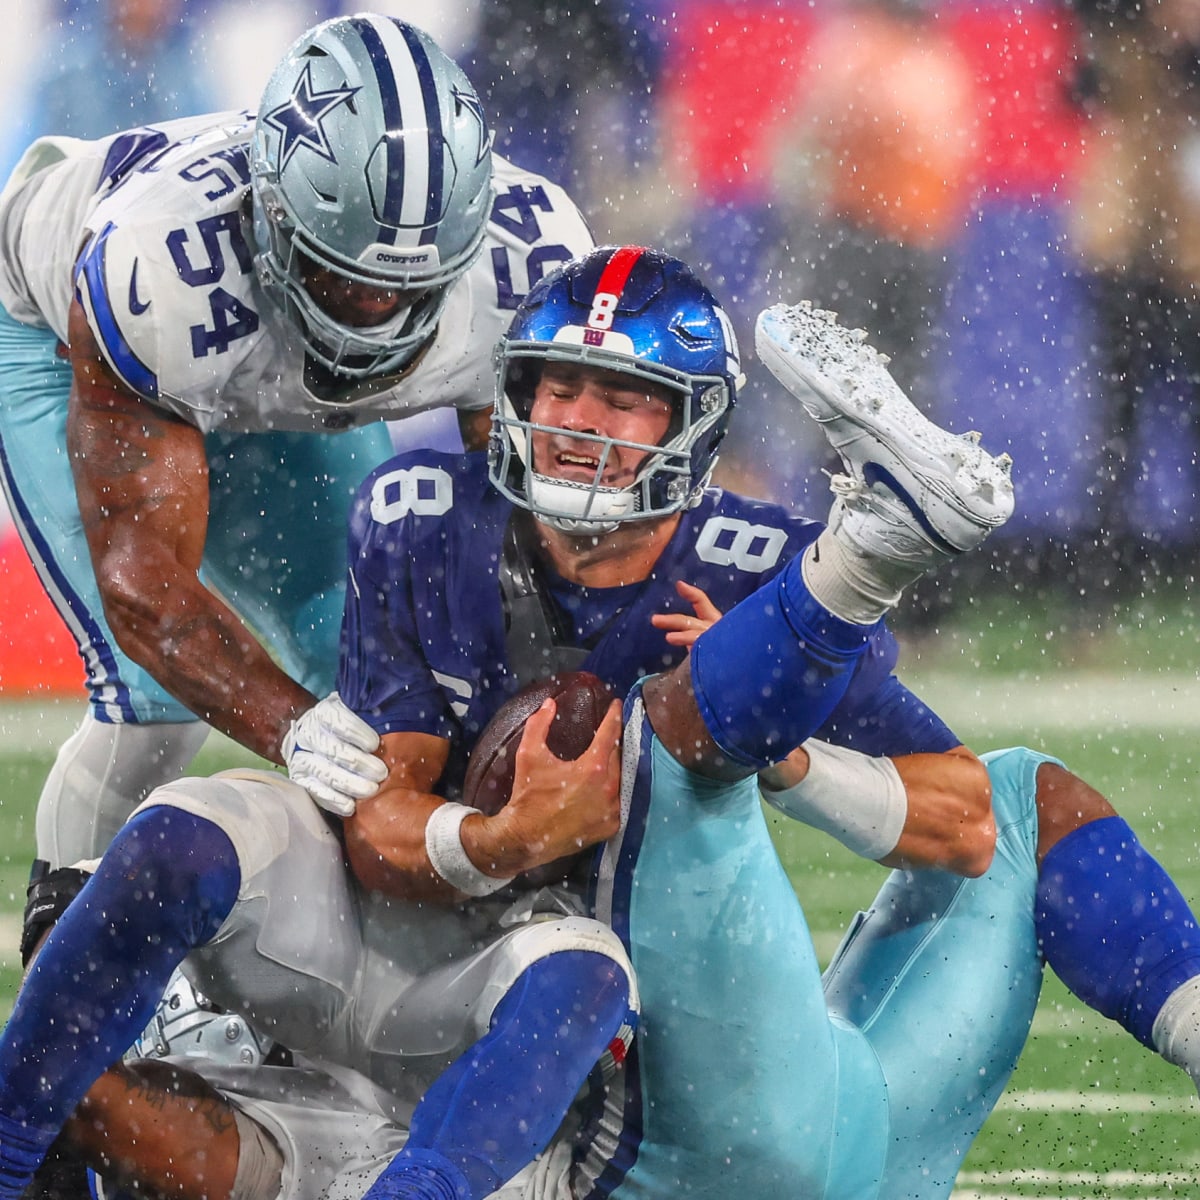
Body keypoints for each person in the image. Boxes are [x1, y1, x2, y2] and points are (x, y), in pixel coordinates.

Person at [4, 249, 1199, 1199]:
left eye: (623, 399)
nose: (579, 419)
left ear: (691, 426)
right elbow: (380, 824)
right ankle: (866, 559)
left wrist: (789, 763)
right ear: (509, 394)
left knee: (1009, 789)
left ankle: (866, 560)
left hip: (723, 1092)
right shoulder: (432, 521)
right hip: (539, 1016)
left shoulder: (734, 559)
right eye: (558, 385)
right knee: (653, 749)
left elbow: (967, 823)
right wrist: (504, 839)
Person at [0, 13, 594, 885]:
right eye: (343, 275)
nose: (373, 311)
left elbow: (525, 525)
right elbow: (147, 591)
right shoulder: (157, 269)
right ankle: (72, 957)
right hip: (54, 336)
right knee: (154, 703)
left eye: (408, 287)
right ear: (271, 214)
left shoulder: (527, 263)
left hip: (260, 380)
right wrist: (289, 728)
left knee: (374, 679)